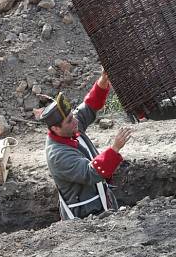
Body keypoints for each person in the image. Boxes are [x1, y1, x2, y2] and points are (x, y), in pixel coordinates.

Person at [39, 71, 133, 220]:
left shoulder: (70, 128)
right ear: (55, 129)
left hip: (101, 205)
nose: (75, 121)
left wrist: (103, 80)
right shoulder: (57, 155)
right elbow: (91, 173)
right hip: (85, 217)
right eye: (69, 120)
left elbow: (89, 106)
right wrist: (114, 149)